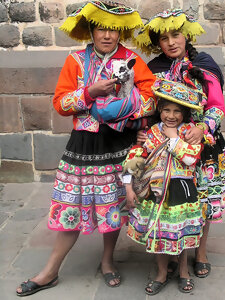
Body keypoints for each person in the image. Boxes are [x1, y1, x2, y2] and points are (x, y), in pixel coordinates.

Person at [16, 1, 156, 296]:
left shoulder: (132, 60)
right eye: (101, 28)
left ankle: (107, 261)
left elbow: (151, 98)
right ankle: (51, 270)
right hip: (84, 144)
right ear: (91, 30)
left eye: (113, 30)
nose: (107, 35)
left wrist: (122, 107)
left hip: (119, 143)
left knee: (113, 204)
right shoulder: (76, 61)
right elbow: (60, 103)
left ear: (120, 33)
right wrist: (89, 93)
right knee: (72, 205)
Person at [135, 8, 225, 279]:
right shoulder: (153, 70)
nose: (171, 42)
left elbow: (216, 106)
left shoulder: (204, 64)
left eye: (176, 35)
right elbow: (147, 108)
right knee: (172, 201)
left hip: (203, 146)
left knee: (202, 200)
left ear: (185, 35)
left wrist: (202, 127)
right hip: (165, 149)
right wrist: (143, 132)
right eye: (164, 38)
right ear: (157, 43)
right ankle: (171, 248)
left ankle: (200, 252)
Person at [123, 78, 207, 295]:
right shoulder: (151, 133)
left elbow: (190, 159)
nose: (171, 116)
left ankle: (183, 270)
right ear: (159, 110)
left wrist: (172, 138)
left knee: (181, 232)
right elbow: (137, 157)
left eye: (177, 111)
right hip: (156, 193)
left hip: (182, 192)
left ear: (185, 113)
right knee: (159, 233)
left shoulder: (190, 132)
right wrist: (129, 187)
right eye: (166, 110)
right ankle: (161, 272)